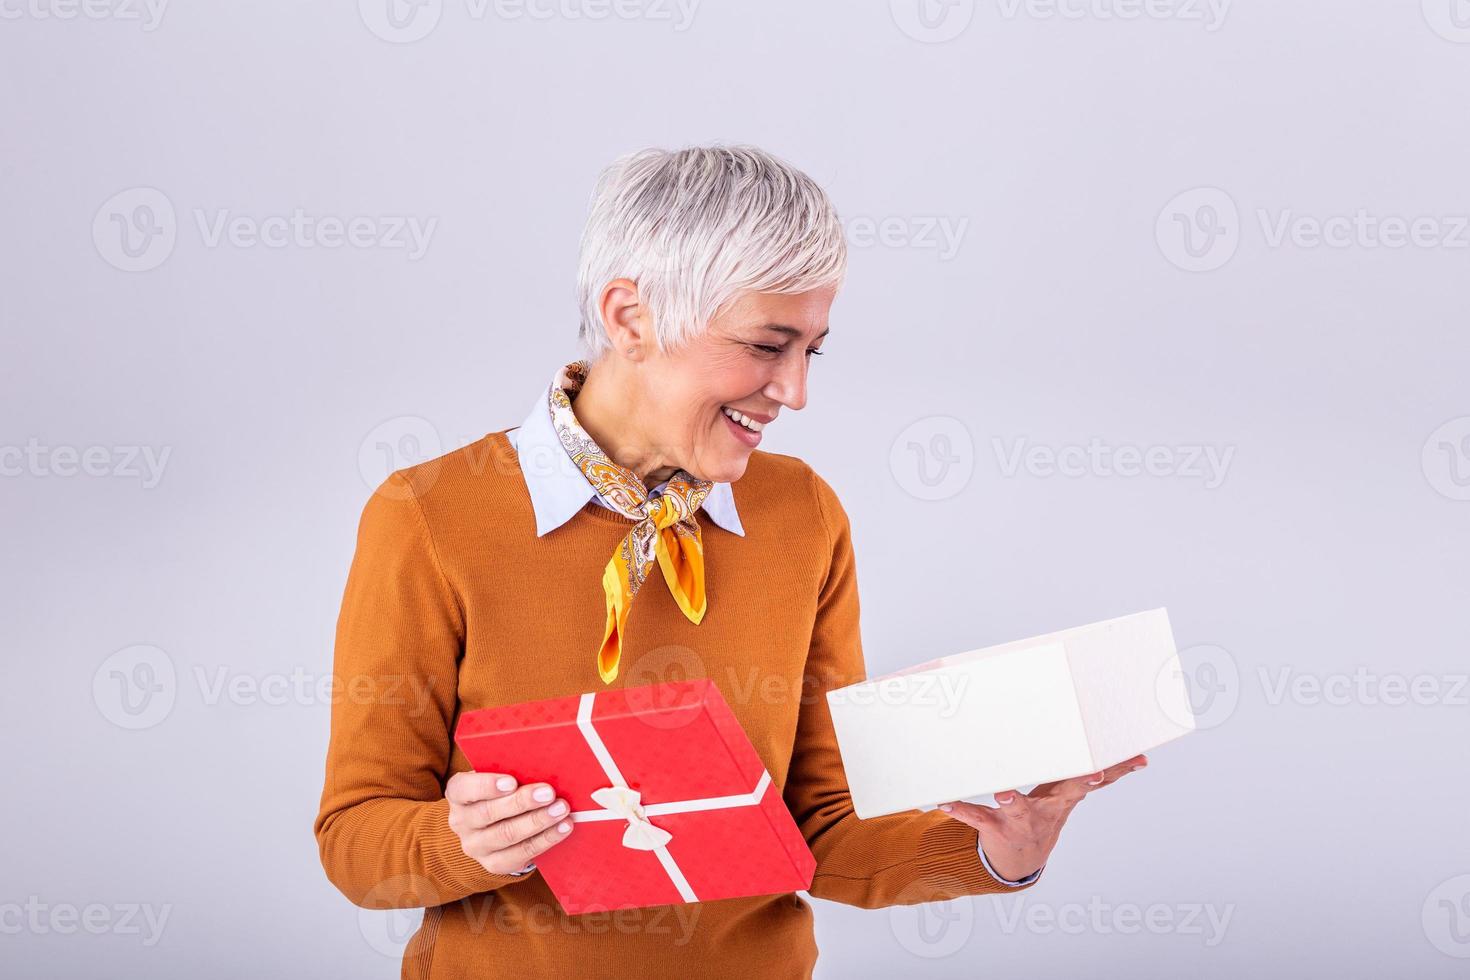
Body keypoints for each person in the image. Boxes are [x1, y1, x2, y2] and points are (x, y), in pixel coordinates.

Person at [313, 144, 1147, 978]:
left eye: (811, 350)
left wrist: (1001, 852)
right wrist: (459, 841)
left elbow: (819, 827)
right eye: (765, 345)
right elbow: (356, 840)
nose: (795, 392)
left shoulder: (802, 515)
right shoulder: (429, 518)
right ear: (630, 318)